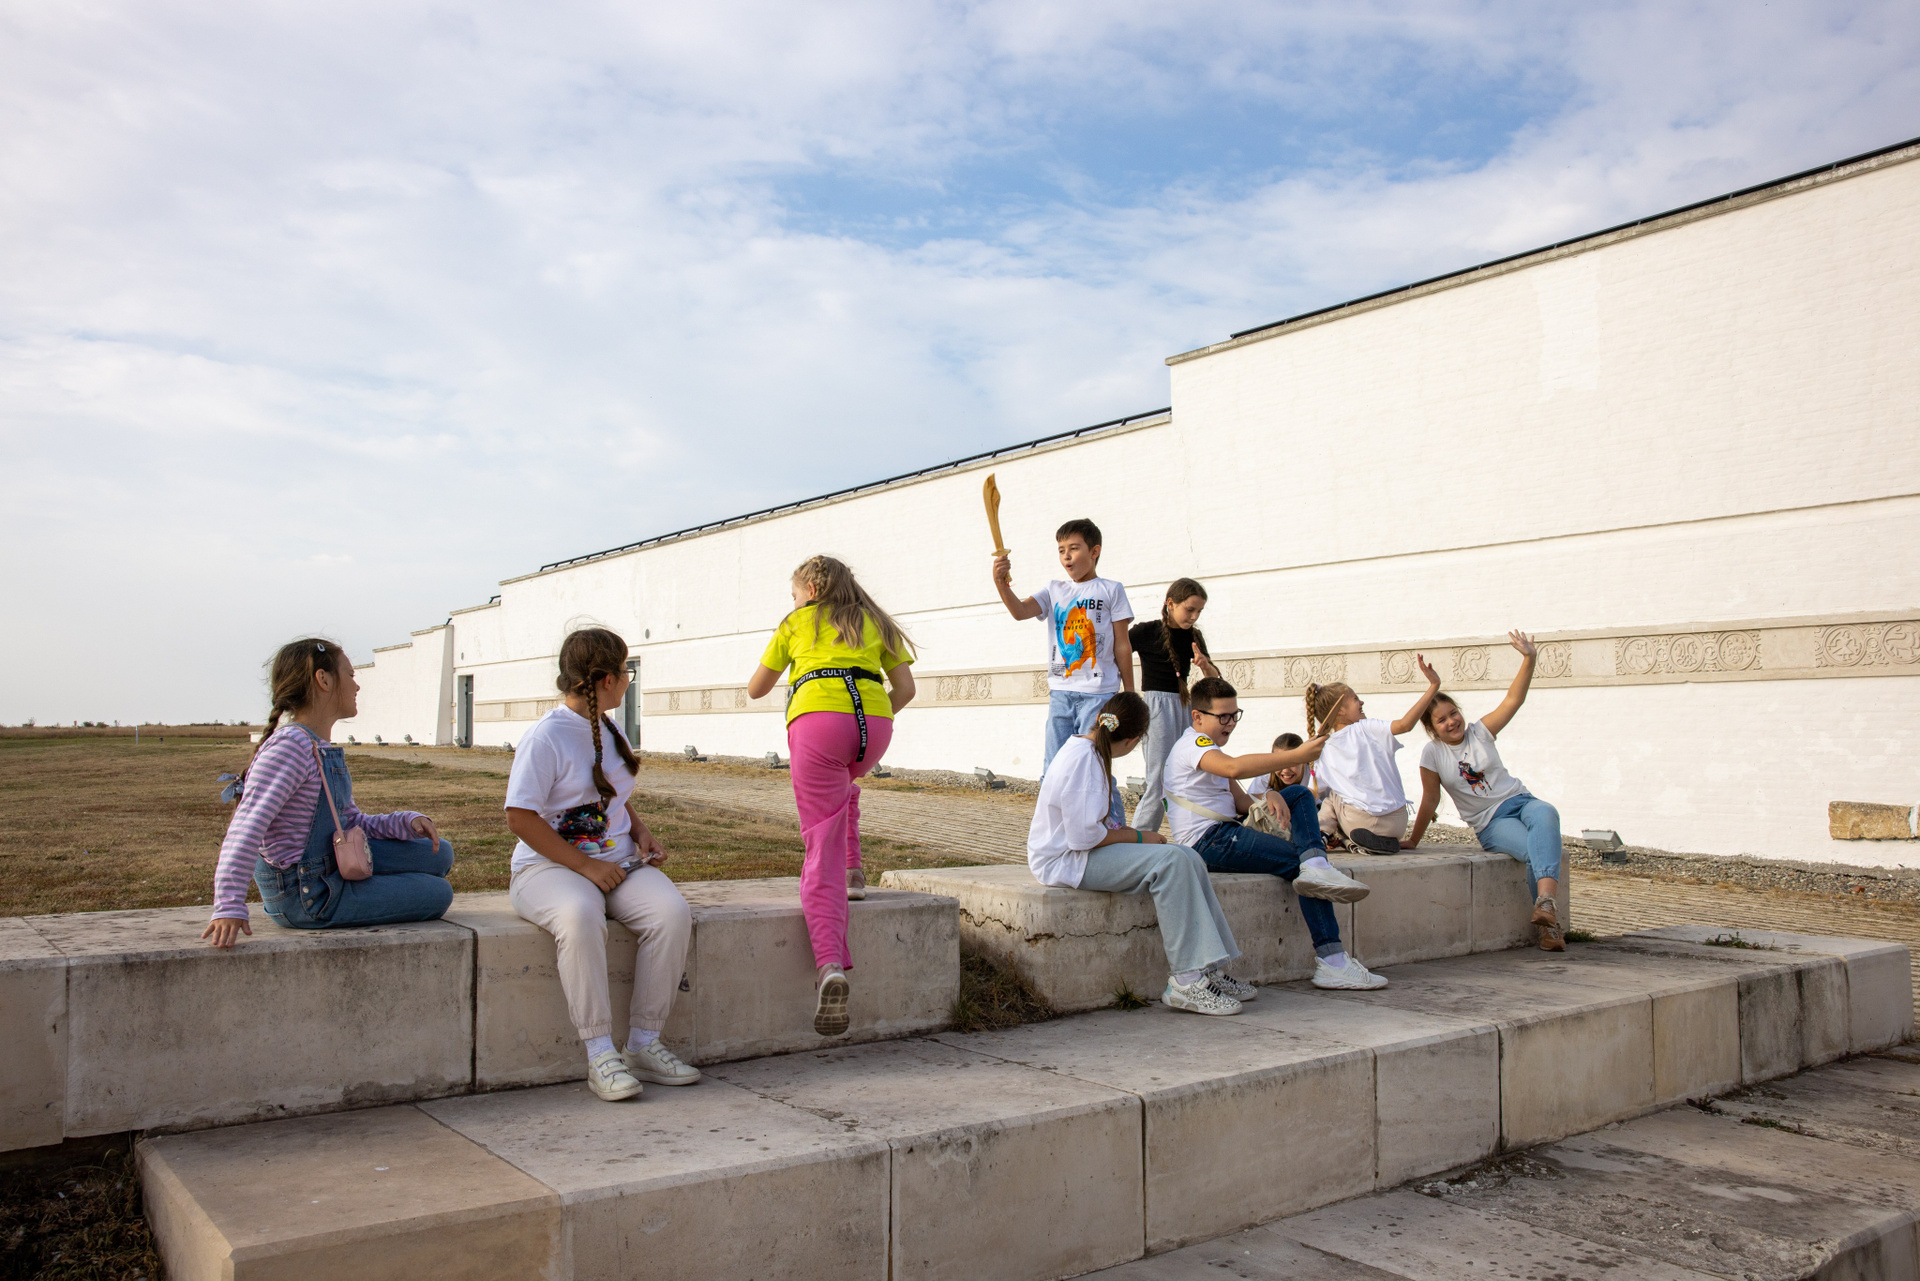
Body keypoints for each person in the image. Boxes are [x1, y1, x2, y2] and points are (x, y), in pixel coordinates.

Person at [505, 627, 699, 1103]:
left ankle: (643, 1044)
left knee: (671, 913)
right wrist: (586, 868)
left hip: (616, 863)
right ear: (609, 679)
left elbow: (607, 794)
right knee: (579, 915)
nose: (629, 680)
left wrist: (640, 830)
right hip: (546, 869)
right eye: (626, 671)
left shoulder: (609, 728)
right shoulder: (546, 737)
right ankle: (599, 1054)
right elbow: (519, 817)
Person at [746, 555, 917, 1038]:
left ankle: (829, 965)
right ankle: (854, 872)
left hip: (818, 723)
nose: (793, 601)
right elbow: (905, 688)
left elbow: (756, 689)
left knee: (820, 842)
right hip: (873, 728)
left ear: (813, 589)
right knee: (844, 790)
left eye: (795, 593)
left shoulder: (796, 623)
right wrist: (875, 715)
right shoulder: (876, 620)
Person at [203, 638, 454, 950]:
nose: (357, 686)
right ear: (323, 680)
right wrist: (228, 905)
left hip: (327, 865)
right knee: (438, 893)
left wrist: (405, 822)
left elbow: (349, 822)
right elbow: (246, 828)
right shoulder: (290, 748)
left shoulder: (315, 745)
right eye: (350, 675)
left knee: (440, 852)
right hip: (307, 896)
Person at [1028, 692, 1252, 1015]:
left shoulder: (1090, 752)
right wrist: (1138, 837)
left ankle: (1209, 969)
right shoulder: (1083, 760)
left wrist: (1136, 838)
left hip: (1079, 853)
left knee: (1189, 856)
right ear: (1133, 741)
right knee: (1172, 862)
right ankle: (1186, 981)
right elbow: (1083, 837)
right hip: (1065, 862)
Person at [1164, 677, 1387, 990]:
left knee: (1298, 794)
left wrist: (1268, 796)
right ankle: (1333, 961)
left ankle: (1316, 862)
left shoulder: (1208, 747)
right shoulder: (1194, 746)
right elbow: (1234, 769)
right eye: (1223, 717)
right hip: (1209, 841)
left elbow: (1239, 800)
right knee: (1300, 867)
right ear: (1198, 717)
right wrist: (1296, 756)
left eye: (1234, 715)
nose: (1230, 724)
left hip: (1226, 832)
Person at [1406, 631, 1565, 950]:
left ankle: (1546, 905)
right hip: (1492, 822)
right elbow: (1431, 799)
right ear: (1431, 728)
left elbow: (1513, 700)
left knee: (1547, 812)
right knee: (1534, 850)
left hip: (1520, 801)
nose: (1452, 722)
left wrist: (1529, 658)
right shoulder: (1432, 754)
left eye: (1453, 713)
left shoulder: (1480, 732)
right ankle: (1548, 930)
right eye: (1442, 720)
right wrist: (1413, 840)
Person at [992, 517, 1134, 774]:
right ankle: (1051, 802)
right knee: (1054, 767)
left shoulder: (1111, 590)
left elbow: (1122, 645)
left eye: (1074, 548)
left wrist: (1130, 692)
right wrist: (1001, 584)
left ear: (1094, 551)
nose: (1066, 556)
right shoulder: (1053, 589)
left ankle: (1105, 804)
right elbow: (1020, 611)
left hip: (1100, 694)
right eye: (1061, 550)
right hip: (1061, 692)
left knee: (1094, 765)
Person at [1305, 658, 1441, 855]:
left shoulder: (1323, 748)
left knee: (1333, 797)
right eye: (1355, 699)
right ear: (1340, 710)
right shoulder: (1368, 728)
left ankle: (1323, 836)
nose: (1361, 702)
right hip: (1397, 823)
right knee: (1341, 796)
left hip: (1360, 822)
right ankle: (1360, 841)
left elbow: (1315, 792)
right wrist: (1433, 686)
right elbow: (1405, 725)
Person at [1127, 578, 1219, 831]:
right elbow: (1116, 653)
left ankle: (1195, 833)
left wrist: (1204, 665)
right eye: (1190, 609)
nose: (1194, 616)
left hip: (1185, 707)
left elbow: (1215, 679)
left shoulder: (1194, 636)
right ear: (1170, 604)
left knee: (1188, 772)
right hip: (1157, 708)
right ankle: (1139, 838)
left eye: (1199, 611)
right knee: (1158, 779)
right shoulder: (1146, 631)